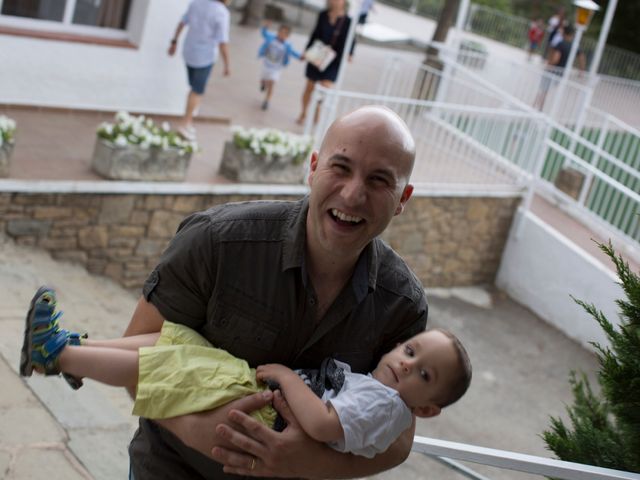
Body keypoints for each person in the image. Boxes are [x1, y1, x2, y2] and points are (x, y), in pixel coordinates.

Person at [90, 104, 425, 479]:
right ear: (313, 168)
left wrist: (308, 463)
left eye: (379, 180)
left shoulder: (403, 305)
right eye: (341, 168)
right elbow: (138, 359)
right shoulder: (216, 241)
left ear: (403, 199)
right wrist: (195, 430)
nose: (352, 194)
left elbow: (399, 437)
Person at [20, 288, 471, 460]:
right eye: (410, 350)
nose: (408, 363)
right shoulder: (383, 397)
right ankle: (71, 349)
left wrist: (287, 378)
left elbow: (320, 424)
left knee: (175, 362)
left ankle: (57, 354)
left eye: (424, 375)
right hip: (266, 401)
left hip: (266, 416)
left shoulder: (387, 404)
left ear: (426, 408)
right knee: (177, 342)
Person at [168, 0, 231, 141]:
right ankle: (186, 123)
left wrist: (174, 41)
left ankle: (188, 121)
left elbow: (182, 23)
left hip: (189, 52)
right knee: (197, 91)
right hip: (204, 57)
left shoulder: (196, 3)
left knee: (193, 88)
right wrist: (227, 64)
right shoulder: (221, 12)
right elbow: (223, 41)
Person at [296, 0, 355, 126]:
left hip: (334, 60)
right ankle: (303, 112)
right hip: (318, 55)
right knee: (309, 87)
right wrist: (306, 52)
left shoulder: (348, 21)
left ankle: (317, 111)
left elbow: (352, 40)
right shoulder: (323, 15)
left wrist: (350, 54)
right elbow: (315, 35)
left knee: (325, 88)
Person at [534, 25, 586, 110]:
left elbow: (555, 59)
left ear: (564, 33)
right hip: (562, 73)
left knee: (543, 90)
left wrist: (548, 66)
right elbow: (582, 58)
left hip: (553, 71)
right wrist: (581, 71)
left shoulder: (561, 44)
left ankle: (536, 107)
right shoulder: (575, 46)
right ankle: (538, 107)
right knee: (547, 90)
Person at [258, 22, 302, 111]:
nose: (282, 35)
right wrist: (265, 27)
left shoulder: (287, 45)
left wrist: (300, 56)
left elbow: (293, 52)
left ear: (287, 36)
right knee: (264, 79)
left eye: (285, 33)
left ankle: (267, 100)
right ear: (278, 32)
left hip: (276, 68)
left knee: (271, 83)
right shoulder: (271, 38)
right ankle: (263, 83)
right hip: (267, 64)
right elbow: (264, 34)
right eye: (281, 32)